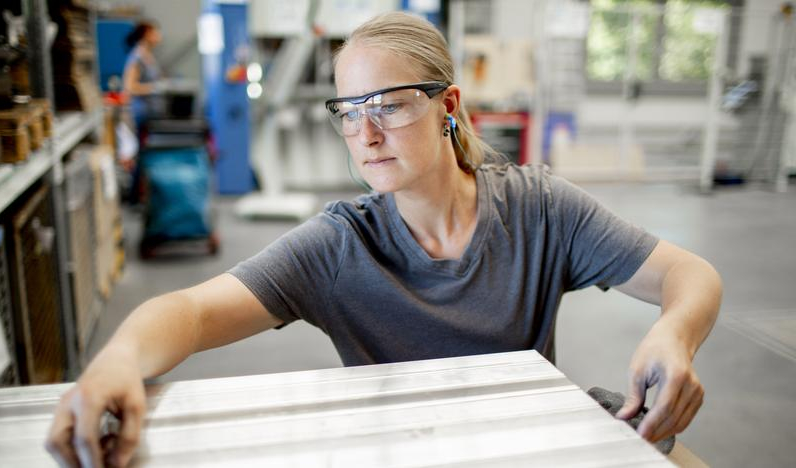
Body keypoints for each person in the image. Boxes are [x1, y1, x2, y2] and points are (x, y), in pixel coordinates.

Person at [46, 12, 722, 467]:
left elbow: (688, 275)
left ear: (448, 106)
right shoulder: (340, 248)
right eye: (349, 112)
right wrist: (118, 361)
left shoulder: (538, 208)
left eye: (390, 105)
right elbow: (191, 312)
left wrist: (675, 333)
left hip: (525, 444)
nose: (366, 135)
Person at [122, 20, 163, 134]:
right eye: (156, 32)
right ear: (147, 34)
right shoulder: (137, 57)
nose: (159, 35)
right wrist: (155, 88)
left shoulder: (148, 56)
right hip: (137, 113)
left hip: (148, 113)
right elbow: (130, 87)